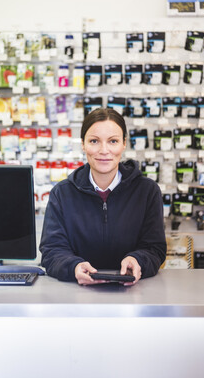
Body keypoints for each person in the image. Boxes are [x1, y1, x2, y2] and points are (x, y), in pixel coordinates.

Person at [39, 108, 166, 286]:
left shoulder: (147, 191)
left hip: (135, 294)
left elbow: (155, 249)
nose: (104, 150)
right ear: (83, 144)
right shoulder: (61, 194)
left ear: (124, 143)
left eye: (113, 141)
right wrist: (73, 267)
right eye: (94, 141)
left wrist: (137, 260)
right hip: (76, 294)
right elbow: (52, 251)